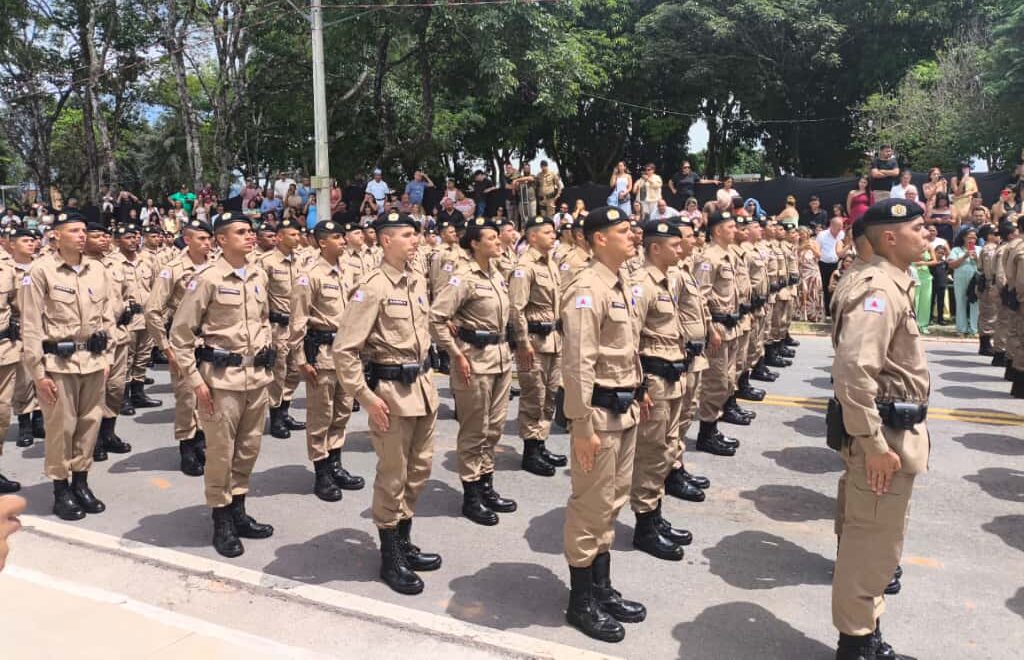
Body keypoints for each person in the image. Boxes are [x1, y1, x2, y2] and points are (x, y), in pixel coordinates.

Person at [829, 198, 931, 660]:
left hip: (890, 432)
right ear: (890, 237)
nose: (927, 234)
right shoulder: (879, 290)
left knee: (877, 543)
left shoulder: (892, 284)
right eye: (918, 227)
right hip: (882, 437)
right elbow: (853, 370)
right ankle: (854, 646)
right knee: (869, 545)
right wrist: (871, 444)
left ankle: (865, 635)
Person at [333, 211, 442, 596]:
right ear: (386, 241)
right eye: (409, 235)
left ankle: (405, 539)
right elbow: (344, 351)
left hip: (424, 390)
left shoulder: (415, 280)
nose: (417, 241)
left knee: (419, 471)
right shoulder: (373, 286)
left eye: (417, 234)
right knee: (393, 476)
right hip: (391, 396)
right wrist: (366, 397)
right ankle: (389, 555)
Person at [560, 206, 646, 643]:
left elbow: (624, 350)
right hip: (597, 417)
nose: (633, 235)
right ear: (598, 239)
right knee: (589, 508)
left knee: (611, 503)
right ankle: (580, 603)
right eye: (623, 230)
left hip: (623, 412)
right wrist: (580, 424)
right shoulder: (587, 287)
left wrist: (640, 387)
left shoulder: (622, 282)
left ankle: (601, 588)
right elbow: (578, 362)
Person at [170, 211, 276, 558]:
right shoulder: (207, 278)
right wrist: (195, 379)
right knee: (220, 453)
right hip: (221, 382)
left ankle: (239, 510)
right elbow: (181, 335)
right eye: (241, 232)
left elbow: (262, 321)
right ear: (221, 240)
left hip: (256, 379)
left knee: (248, 449)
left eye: (251, 231)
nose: (250, 236)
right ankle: (221, 519)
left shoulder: (258, 274)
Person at [21, 211, 115, 521]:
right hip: (58, 364)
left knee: (89, 425)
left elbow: (107, 318)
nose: (81, 235)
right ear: (56, 236)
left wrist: (108, 358)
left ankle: (81, 483)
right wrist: (38, 372)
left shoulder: (98, 270)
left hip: (93, 361)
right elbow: (31, 325)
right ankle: (61, 489)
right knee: (61, 428)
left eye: (83, 229)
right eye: (74, 230)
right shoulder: (41, 271)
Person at [430, 217, 516, 525]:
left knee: (494, 428)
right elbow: (438, 318)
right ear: (475, 243)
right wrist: (455, 354)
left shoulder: (496, 274)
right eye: (491, 238)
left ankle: (486, 484)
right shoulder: (463, 277)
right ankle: (471, 495)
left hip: (501, 358)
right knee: (474, 430)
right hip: (474, 361)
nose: (497, 242)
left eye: (497, 237)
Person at [628, 219, 694, 562]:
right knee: (651, 453)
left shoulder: (666, 281)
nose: (680, 249)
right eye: (674, 245)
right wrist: (639, 386)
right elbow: (631, 339)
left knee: (666, 449)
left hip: (673, 378)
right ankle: (644, 526)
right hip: (654, 381)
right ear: (655, 248)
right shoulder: (642, 284)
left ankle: (654, 514)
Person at [290, 220, 365, 501]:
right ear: (322, 243)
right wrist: (300, 361)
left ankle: (335, 463)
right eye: (337, 237)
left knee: (342, 412)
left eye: (343, 236)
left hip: (346, 355)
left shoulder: (348, 271)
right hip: (321, 355)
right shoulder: (309, 276)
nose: (343, 240)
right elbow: (298, 322)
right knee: (321, 415)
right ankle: (321, 471)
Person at [145, 219, 213, 476]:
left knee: (209, 396)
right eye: (201, 239)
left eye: (209, 239)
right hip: (184, 342)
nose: (207, 244)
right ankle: (187, 446)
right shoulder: (172, 269)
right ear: (187, 240)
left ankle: (203, 441)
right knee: (187, 397)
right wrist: (165, 348)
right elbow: (152, 309)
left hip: (213, 342)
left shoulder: (217, 266)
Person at [509, 215, 566, 477]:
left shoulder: (551, 264)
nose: (553, 235)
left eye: (553, 231)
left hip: (553, 341)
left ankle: (540, 444)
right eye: (546, 232)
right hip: (533, 341)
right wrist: (521, 343)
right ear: (532, 237)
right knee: (534, 396)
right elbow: (516, 308)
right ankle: (530, 452)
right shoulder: (525, 267)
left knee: (550, 396)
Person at [693, 210, 744, 456]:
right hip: (718, 328)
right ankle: (705, 434)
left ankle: (712, 429)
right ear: (717, 230)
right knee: (715, 383)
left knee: (727, 381)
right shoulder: (708, 258)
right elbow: (700, 297)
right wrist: (710, 328)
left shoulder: (727, 255)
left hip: (730, 327)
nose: (735, 230)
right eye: (731, 226)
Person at [817, 216, 848, 317]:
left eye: (841, 227)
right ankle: (826, 310)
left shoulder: (842, 235)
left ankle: (834, 310)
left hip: (837, 264)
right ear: (832, 225)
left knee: (836, 288)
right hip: (823, 264)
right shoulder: (822, 235)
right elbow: (818, 249)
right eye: (838, 227)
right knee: (825, 287)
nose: (840, 229)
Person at [913, 244, 936, 333]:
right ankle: (912, 324)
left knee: (926, 301)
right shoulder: (911, 243)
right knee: (914, 300)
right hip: (914, 273)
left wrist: (923, 263)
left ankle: (923, 325)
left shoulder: (929, 246)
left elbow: (934, 261)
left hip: (926, 275)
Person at [930, 243, 951, 326]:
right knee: (931, 302)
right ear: (934, 252)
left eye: (942, 253)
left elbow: (947, 271)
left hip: (942, 284)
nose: (941, 254)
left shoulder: (944, 263)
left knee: (941, 302)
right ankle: (930, 318)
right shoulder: (931, 262)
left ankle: (940, 319)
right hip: (933, 284)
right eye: (939, 252)